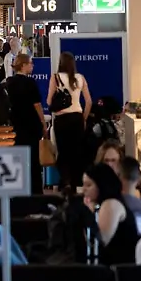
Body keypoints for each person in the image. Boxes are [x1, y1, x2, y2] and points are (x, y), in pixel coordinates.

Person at [48, 51, 93, 191]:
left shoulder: (56, 78)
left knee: (63, 151)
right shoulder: (80, 78)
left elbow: (49, 101)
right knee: (76, 151)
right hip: (77, 118)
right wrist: (83, 118)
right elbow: (89, 102)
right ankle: (75, 183)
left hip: (62, 119)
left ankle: (65, 181)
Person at [83, 163, 139, 266]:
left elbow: (98, 242)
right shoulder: (106, 203)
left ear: (101, 184)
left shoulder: (111, 204)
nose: (84, 190)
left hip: (120, 269)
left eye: (89, 185)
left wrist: (88, 212)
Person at [5, 54, 45, 193]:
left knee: (18, 157)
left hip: (16, 124)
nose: (32, 66)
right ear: (23, 65)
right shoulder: (30, 83)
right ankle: (35, 190)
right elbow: (37, 104)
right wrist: (43, 122)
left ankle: (19, 188)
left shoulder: (9, 82)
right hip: (31, 124)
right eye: (30, 63)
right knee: (33, 159)